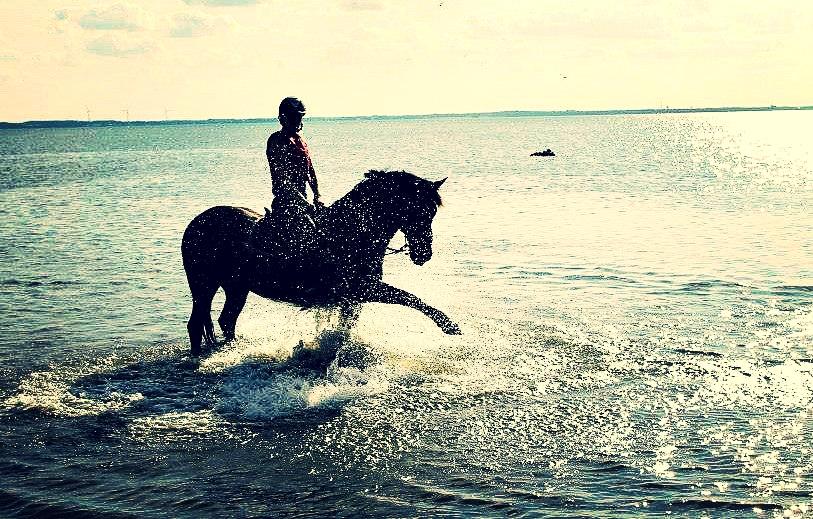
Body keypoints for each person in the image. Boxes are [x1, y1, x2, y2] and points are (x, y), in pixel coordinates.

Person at [264, 97, 323, 257]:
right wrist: (304, 203)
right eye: (295, 117)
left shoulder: (300, 141)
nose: (298, 121)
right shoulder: (276, 141)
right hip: (285, 203)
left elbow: (310, 172)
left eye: (300, 117)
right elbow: (283, 180)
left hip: (304, 201)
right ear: (283, 119)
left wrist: (317, 196)